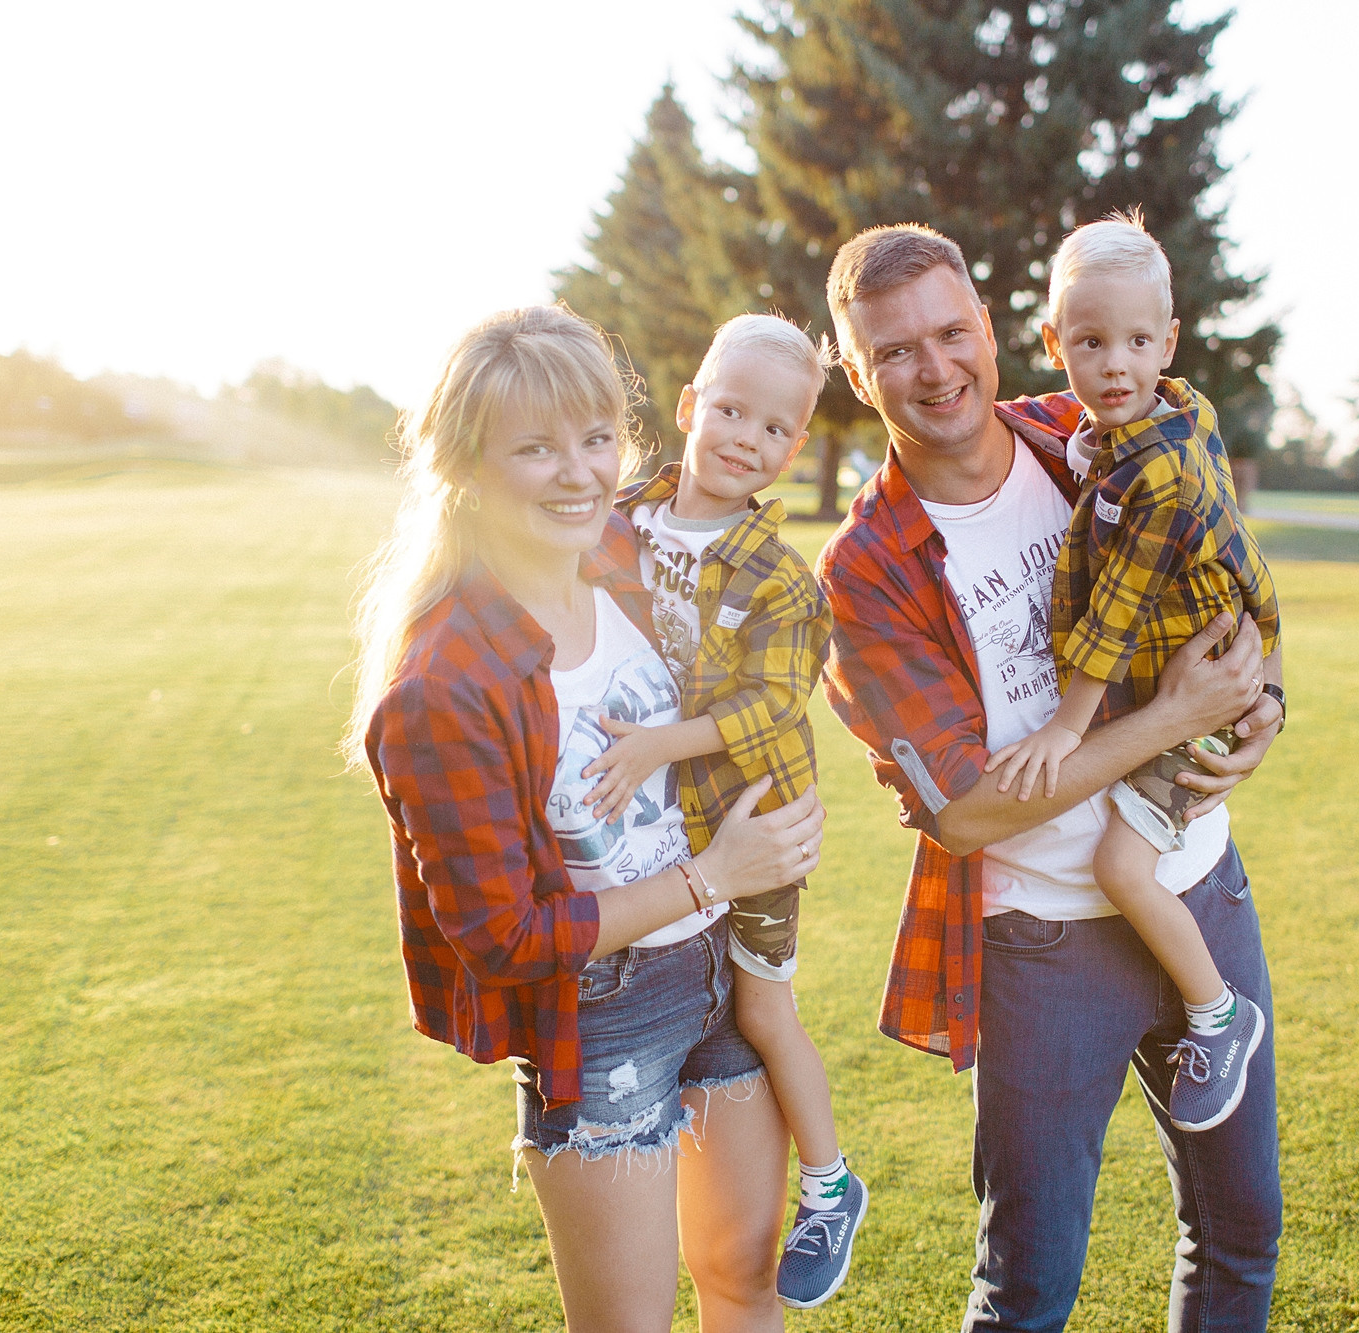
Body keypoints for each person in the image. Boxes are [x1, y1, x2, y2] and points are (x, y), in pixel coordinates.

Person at [814, 224, 1287, 1333]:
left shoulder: (1080, 435)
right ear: (854, 372)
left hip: (1198, 887)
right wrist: (1176, 715)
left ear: (987, 327)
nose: (933, 369)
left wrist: (1257, 707)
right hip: (1043, 940)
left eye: (948, 332)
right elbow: (966, 811)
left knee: (1239, 1235)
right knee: (1026, 1288)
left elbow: (1216, 571)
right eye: (893, 353)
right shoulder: (867, 570)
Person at [345, 304, 825, 1332]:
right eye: (536, 447)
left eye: (597, 437)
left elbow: (757, 684)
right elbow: (504, 936)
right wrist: (715, 874)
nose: (580, 473)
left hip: (722, 975)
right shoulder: (442, 686)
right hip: (601, 1015)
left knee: (744, 1276)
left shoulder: (629, 563)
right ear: (465, 467)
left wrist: (789, 804)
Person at [579, 313, 868, 1308]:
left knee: (761, 1009)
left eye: (774, 427)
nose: (747, 435)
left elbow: (768, 703)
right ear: (692, 407)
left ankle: (830, 1186)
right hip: (667, 835)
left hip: (758, 823)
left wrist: (657, 743)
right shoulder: (619, 515)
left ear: (795, 447)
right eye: (731, 410)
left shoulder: (784, 580)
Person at [981, 212, 1282, 1134]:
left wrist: (1068, 728)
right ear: (1054, 344)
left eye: (1138, 342)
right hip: (1201, 670)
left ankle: (1219, 1014)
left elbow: (1115, 617)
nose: (1115, 365)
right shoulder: (1171, 411)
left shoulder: (1158, 475)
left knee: (1122, 859)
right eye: (1091, 341)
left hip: (1192, 695)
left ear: (1171, 340)